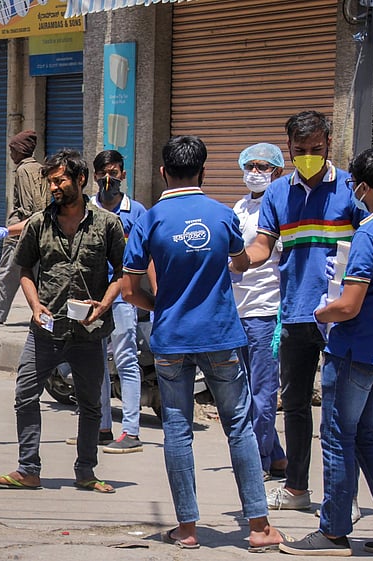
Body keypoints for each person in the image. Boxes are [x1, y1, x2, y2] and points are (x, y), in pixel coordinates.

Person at [121, 135, 284, 551]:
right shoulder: (221, 214)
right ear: (204, 171)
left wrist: (160, 306)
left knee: (177, 431)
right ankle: (260, 528)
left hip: (171, 339)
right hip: (221, 336)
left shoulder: (150, 219)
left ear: (162, 172)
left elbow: (129, 290)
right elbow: (242, 260)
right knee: (240, 428)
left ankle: (188, 529)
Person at [239, 111, 364, 510]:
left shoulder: (350, 189)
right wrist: (234, 261)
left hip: (341, 316)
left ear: (329, 143)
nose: (308, 156)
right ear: (289, 148)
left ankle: (341, 498)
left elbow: (371, 246)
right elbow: (262, 247)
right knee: (293, 405)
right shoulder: (278, 195)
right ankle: (296, 488)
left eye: (316, 149)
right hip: (293, 313)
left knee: (338, 413)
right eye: (300, 150)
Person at [279, 148, 373, 556]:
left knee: (337, 437)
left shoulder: (371, 232)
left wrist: (320, 310)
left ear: (364, 187)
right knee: (365, 435)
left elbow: (348, 305)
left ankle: (332, 532)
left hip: (353, 351)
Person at [0, 148, 124, 492]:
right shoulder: (37, 224)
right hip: (45, 329)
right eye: (51, 181)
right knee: (25, 393)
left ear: (80, 179)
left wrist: (104, 305)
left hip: (88, 331)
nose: (54, 187)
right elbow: (25, 270)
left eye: (60, 179)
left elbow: (123, 273)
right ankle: (28, 468)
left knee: (91, 404)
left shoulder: (107, 223)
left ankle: (86, 471)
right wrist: (34, 306)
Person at [229, 143, 287, 479]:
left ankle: (260, 462)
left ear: (277, 171)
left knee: (263, 394)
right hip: (239, 308)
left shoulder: (280, 206)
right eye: (249, 165)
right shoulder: (240, 206)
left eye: (263, 166)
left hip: (266, 309)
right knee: (244, 391)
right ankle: (277, 456)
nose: (255, 172)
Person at [89, 149, 149, 454]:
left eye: (114, 172)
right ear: (94, 176)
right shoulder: (87, 209)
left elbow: (147, 256)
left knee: (126, 359)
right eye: (102, 174)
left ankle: (131, 430)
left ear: (123, 175)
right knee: (95, 363)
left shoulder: (136, 212)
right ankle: (100, 427)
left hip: (124, 296)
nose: (108, 179)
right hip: (92, 296)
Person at [0, 130, 49, 325]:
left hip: (20, 234)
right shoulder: (38, 168)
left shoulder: (23, 170)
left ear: (20, 150)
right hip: (36, 232)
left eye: (12, 150)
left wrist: (16, 228)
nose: (10, 154)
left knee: (6, 273)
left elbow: (30, 205)